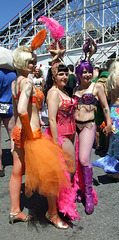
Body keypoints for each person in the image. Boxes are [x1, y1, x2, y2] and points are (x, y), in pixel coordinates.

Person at [9, 46, 73, 229]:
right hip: (32, 134)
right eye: (30, 61)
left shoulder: (15, 83)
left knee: (16, 172)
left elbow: (15, 110)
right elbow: (21, 109)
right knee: (52, 173)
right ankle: (52, 213)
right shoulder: (27, 83)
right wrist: (30, 132)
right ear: (22, 62)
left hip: (19, 132)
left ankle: (15, 210)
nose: (34, 64)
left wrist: (17, 133)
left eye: (34, 61)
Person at [73, 60, 112, 214]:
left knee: (84, 159)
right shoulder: (75, 88)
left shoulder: (97, 87)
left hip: (88, 125)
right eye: (84, 72)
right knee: (74, 161)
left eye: (89, 71)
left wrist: (108, 123)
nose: (87, 74)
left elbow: (105, 106)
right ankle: (80, 190)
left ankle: (89, 194)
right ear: (78, 74)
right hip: (74, 127)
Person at [45, 62, 80, 220]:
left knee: (69, 170)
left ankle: (63, 201)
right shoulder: (53, 93)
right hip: (61, 135)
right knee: (69, 170)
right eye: (61, 74)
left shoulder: (64, 91)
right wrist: (56, 141)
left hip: (72, 134)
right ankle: (60, 203)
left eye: (66, 74)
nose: (65, 77)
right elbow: (51, 119)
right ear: (54, 76)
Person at [92, 59, 119, 179]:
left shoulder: (111, 80)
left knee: (114, 141)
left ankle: (115, 169)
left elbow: (108, 96)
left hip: (113, 110)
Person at [0, 68, 16, 177]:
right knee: (13, 136)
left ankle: (0, 166)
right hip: (9, 105)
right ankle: (17, 163)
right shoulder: (13, 74)